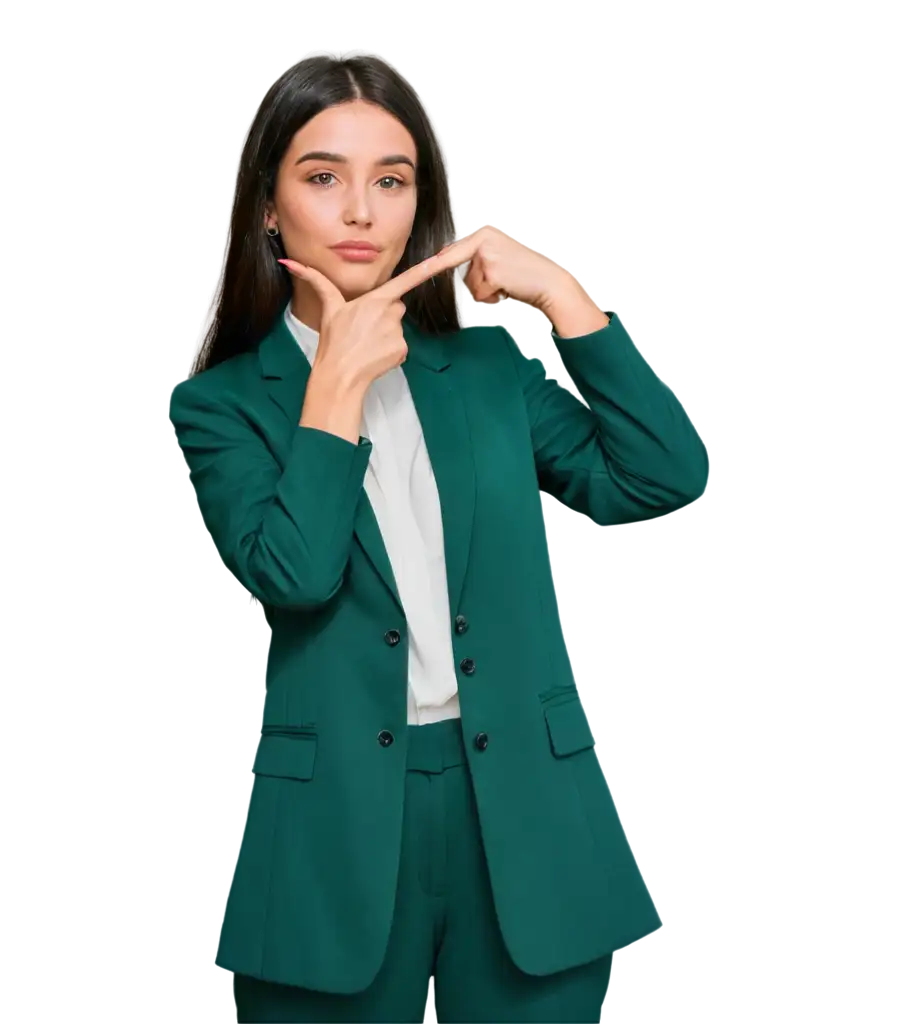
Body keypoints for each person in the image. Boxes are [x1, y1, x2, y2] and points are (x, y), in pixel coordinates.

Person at [167, 46, 708, 1024]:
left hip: (520, 806)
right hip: (337, 823)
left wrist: (566, 301)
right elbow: (291, 574)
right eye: (323, 178)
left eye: (392, 180)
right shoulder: (222, 406)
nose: (362, 211)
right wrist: (333, 389)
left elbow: (657, 480)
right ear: (266, 205)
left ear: (422, 204)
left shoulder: (485, 369)